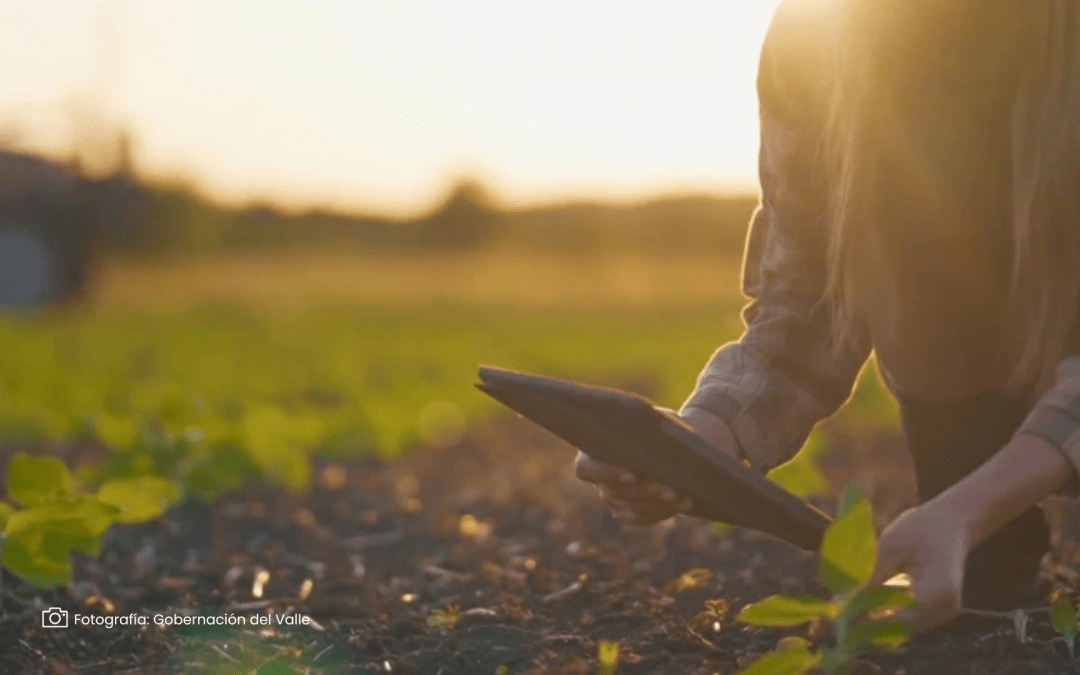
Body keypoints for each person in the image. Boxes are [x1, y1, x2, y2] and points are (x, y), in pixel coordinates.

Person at [575, 0, 1080, 631]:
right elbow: (806, 296)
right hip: (968, 402)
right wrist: (703, 438)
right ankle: (988, 535)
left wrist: (972, 507)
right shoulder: (818, 35)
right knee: (977, 609)